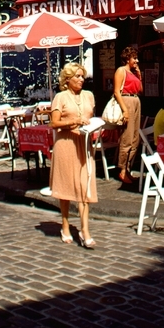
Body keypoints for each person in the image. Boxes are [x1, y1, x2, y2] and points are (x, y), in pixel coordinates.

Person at [49, 62, 98, 248]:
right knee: (67, 187)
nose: (81, 79)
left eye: (82, 76)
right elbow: (54, 123)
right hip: (66, 144)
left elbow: (91, 117)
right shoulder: (60, 97)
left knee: (85, 187)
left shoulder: (89, 96)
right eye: (77, 76)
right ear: (67, 79)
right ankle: (65, 225)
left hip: (84, 143)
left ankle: (85, 230)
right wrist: (73, 121)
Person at [113, 45, 142, 185]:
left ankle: (128, 167)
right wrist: (124, 110)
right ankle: (122, 169)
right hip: (127, 100)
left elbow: (141, 89)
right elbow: (116, 91)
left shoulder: (134, 73)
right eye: (134, 58)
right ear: (127, 58)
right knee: (127, 137)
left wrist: (139, 74)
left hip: (136, 100)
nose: (136, 61)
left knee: (135, 138)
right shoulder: (121, 70)